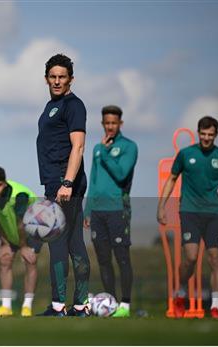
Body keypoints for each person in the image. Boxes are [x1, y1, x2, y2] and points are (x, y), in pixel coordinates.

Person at [157, 115, 218, 319]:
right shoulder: (186, 154)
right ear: (198, 132)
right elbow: (172, 179)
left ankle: (215, 307)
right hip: (190, 212)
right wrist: (161, 206)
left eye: (210, 135)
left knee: (215, 259)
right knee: (190, 258)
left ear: (216, 135)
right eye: (203, 134)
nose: (206, 138)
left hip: (215, 214)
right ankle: (180, 294)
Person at [35, 54, 90, 317]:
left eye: (62, 77)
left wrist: (67, 182)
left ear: (71, 79)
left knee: (58, 243)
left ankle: (60, 306)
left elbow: (78, 146)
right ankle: (79, 305)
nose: (57, 81)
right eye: (53, 77)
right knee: (73, 243)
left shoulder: (74, 105)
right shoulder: (50, 106)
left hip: (65, 183)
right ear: (46, 78)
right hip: (54, 183)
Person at [84, 105, 138, 318]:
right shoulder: (97, 148)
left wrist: (105, 153)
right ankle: (111, 303)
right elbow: (94, 181)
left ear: (120, 124)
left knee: (122, 257)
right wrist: (88, 210)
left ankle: (125, 304)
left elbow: (122, 174)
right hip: (98, 212)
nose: (110, 127)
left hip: (118, 210)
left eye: (114, 123)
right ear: (102, 123)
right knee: (103, 259)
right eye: (107, 123)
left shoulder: (129, 147)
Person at [0, 166, 41, 317]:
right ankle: (6, 307)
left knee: (30, 261)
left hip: (32, 231)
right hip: (10, 231)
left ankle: (27, 307)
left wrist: (24, 247)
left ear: (5, 183)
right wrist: (5, 243)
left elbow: (21, 224)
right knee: (5, 260)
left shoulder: (19, 195)